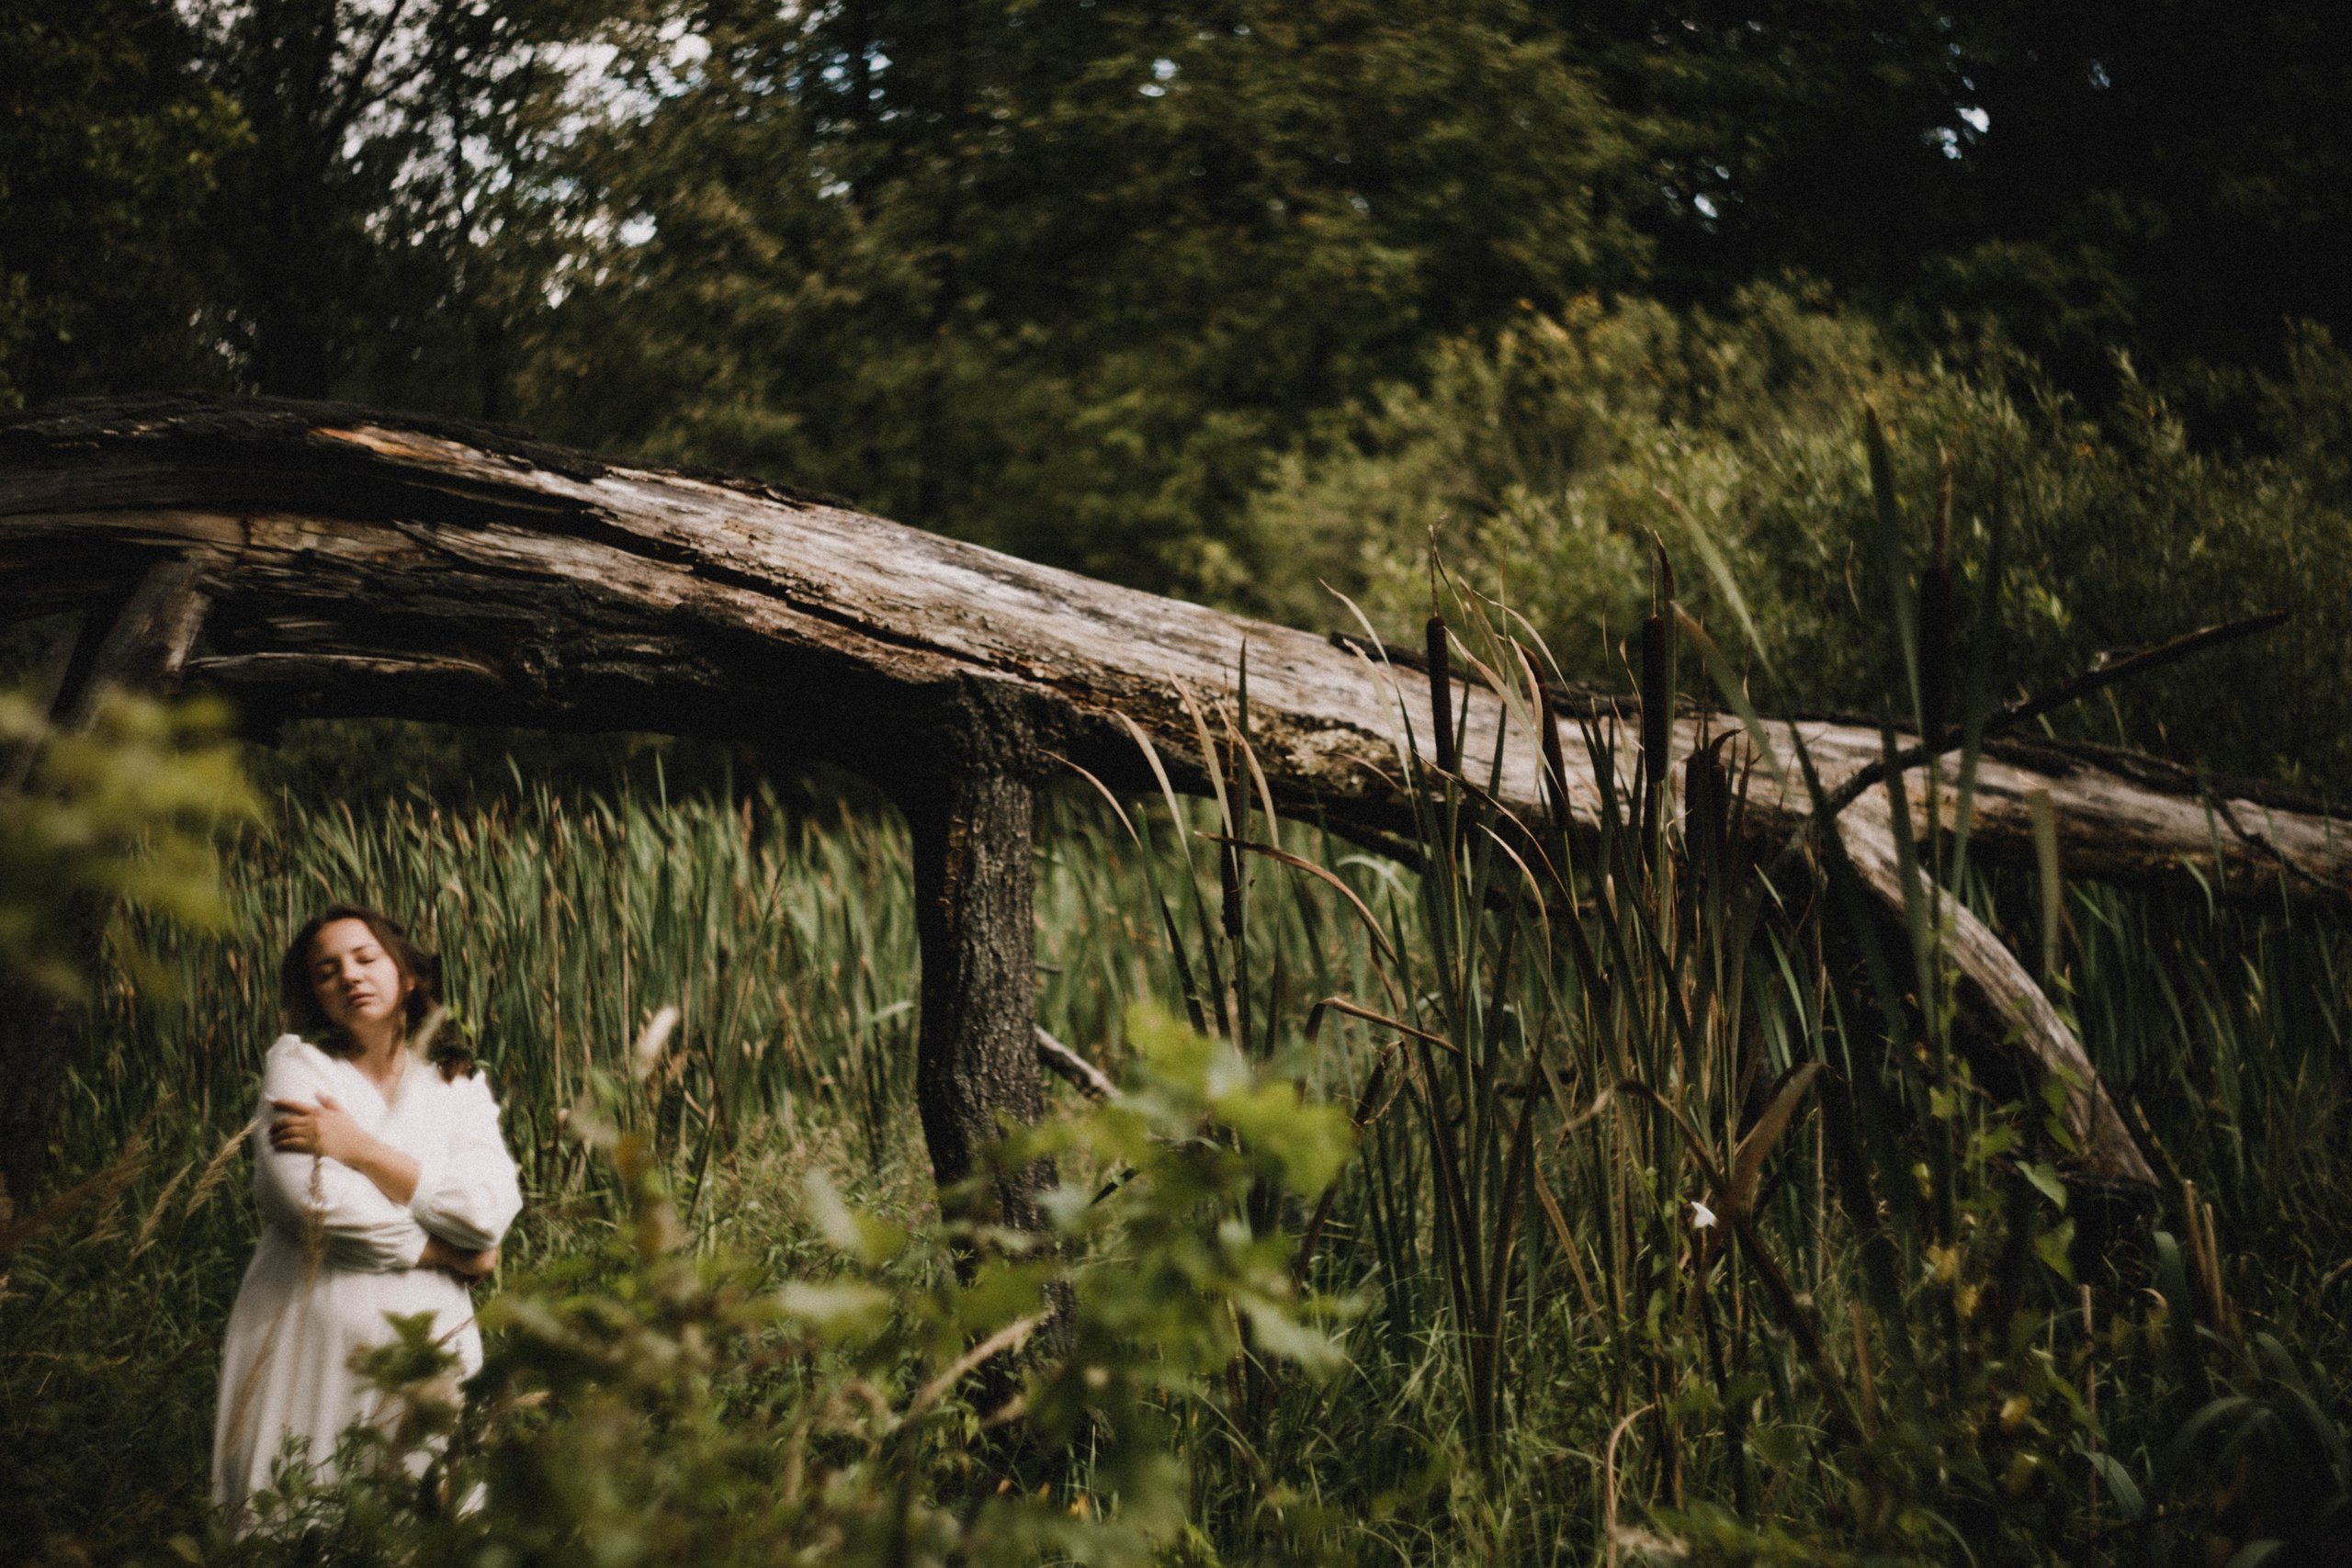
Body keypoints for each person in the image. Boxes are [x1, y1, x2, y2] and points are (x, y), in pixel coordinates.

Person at [212, 903, 523, 1530]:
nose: (349, 976)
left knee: (426, 1522)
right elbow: (311, 1203)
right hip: (309, 1338)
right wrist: (445, 1252)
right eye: (326, 971)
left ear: (406, 973)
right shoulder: (299, 1066)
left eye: (364, 958)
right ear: (314, 994)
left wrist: (360, 1150)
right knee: (296, 1514)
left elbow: (485, 1211)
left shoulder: (457, 1085)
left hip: (431, 1343)